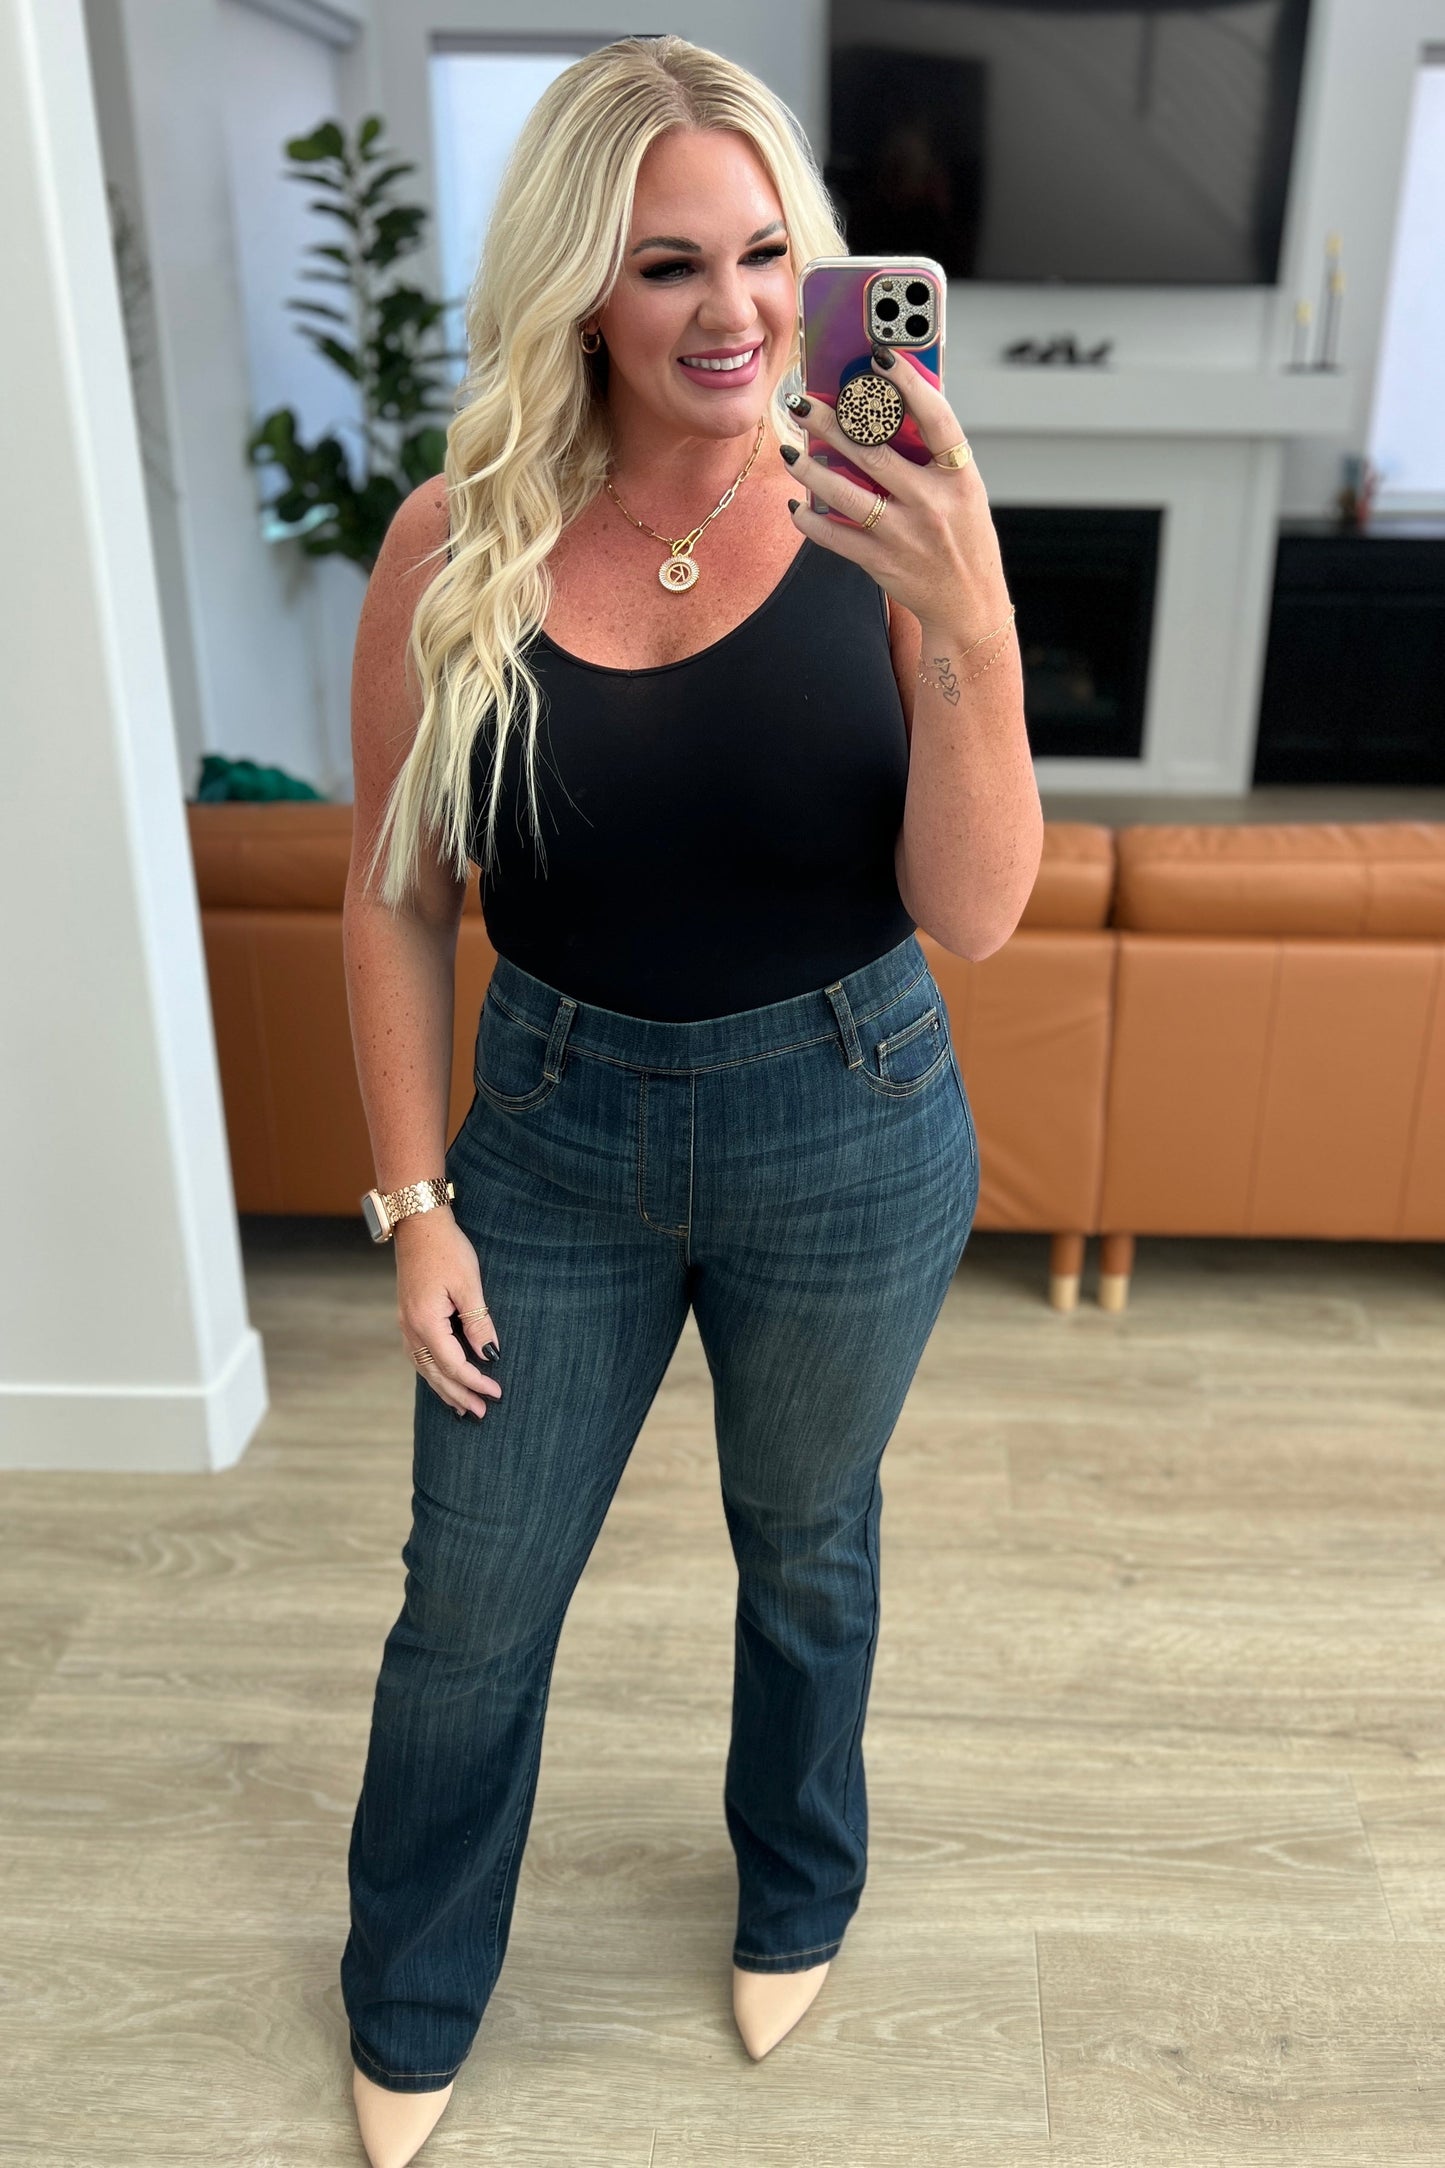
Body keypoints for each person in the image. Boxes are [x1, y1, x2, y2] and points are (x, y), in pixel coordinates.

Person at [338, 33, 1039, 2168]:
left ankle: (798, 1881)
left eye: (761, 254)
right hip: (548, 1135)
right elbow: (393, 898)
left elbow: (975, 911)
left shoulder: (882, 511)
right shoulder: (452, 542)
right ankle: (410, 1988)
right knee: (471, 1595)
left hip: (849, 1112)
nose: (732, 312)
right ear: (581, 290)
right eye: (667, 265)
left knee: (806, 1540)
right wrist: (411, 1204)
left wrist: (968, 619)